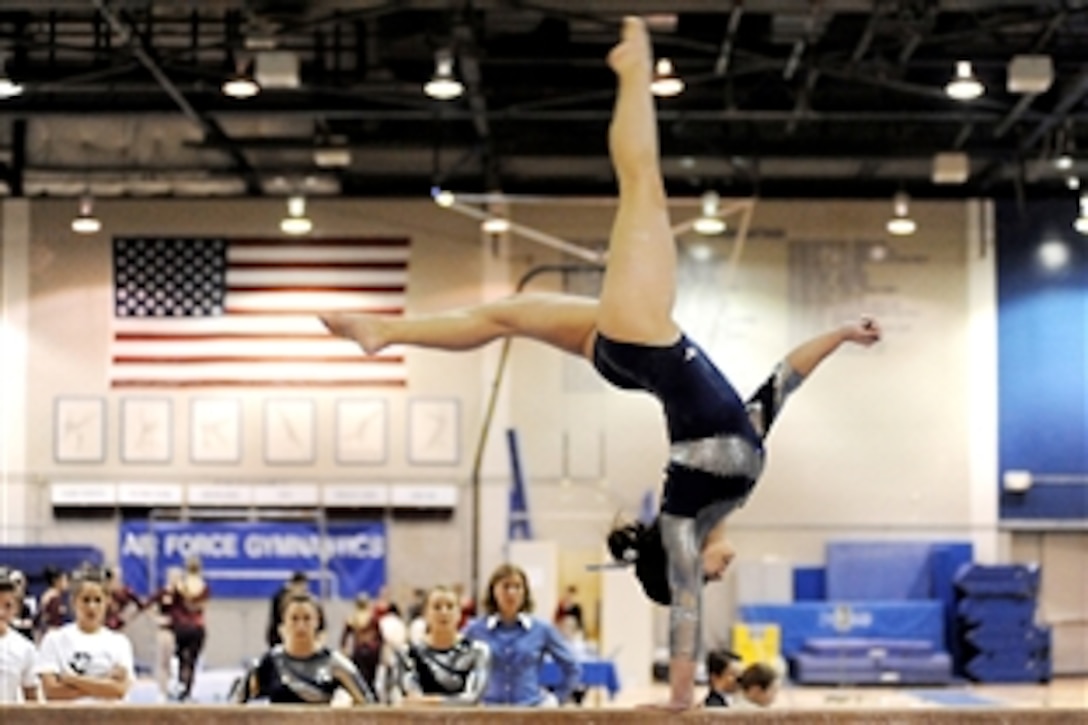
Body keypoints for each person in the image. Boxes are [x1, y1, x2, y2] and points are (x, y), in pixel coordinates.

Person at [321, 17, 881, 710]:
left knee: (642, 181)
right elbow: (784, 379)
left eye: (701, 577)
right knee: (501, 317)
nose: (713, 575)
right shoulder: (742, 473)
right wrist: (841, 332)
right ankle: (383, 330)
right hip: (628, 358)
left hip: (640, 338)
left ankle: (633, 68)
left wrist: (679, 700)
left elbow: (683, 622)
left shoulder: (683, 520)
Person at [461, 564, 579, 706]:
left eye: (517, 587)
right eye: (505, 586)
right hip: (489, 712)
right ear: (493, 591)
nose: (511, 592)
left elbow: (572, 667)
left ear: (525, 592)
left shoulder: (542, 629)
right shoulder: (475, 629)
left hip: (530, 711)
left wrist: (556, 699)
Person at [234, 592, 376, 705]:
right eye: (294, 619)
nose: (301, 626)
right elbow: (234, 706)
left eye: (307, 618)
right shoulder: (268, 663)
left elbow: (370, 706)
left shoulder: (335, 663)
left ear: (317, 622)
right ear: (283, 623)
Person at [36, 565, 134, 702]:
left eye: (98, 600)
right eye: (86, 600)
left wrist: (72, 680)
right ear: (74, 601)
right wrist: (103, 683)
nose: (91, 607)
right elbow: (52, 691)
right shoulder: (54, 639)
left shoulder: (119, 643)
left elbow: (119, 690)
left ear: (107, 602)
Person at [390, 585, 490, 706]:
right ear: (425, 614)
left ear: (459, 613)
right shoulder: (407, 653)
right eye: (437, 607)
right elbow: (412, 699)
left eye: (450, 607)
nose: (444, 612)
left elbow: (472, 698)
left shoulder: (477, 651)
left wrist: (432, 701)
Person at [172, 556, 209, 701]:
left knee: (182, 659)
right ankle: (188, 689)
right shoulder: (203, 587)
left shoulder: (180, 586)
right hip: (196, 626)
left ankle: (181, 684)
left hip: (182, 626)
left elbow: (173, 607)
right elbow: (203, 607)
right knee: (192, 661)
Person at [0, 568, 39, 703]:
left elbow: (31, 696)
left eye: (8, 606)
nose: (1, 613)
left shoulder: (25, 648)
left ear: (16, 608)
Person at [147, 566, 182, 698]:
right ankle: (162, 689)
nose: (175, 580)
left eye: (178, 578)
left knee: (176, 662)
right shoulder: (162, 593)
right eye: (173, 577)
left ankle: (176, 687)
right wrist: (156, 619)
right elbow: (148, 605)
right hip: (165, 631)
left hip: (179, 631)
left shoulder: (182, 594)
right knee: (163, 660)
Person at [340, 592, 383, 693]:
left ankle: (363, 694)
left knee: (361, 677)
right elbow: (380, 637)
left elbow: (344, 637)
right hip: (372, 651)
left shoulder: (352, 618)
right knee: (371, 678)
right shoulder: (372, 617)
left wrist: (343, 649)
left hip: (358, 650)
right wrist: (380, 650)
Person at [267, 571, 308, 648]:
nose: (304, 590)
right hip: (279, 636)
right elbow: (278, 618)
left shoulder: (302, 599)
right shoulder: (281, 597)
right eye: (302, 586)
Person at [104, 567, 145, 631]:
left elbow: (141, 605)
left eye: (116, 579)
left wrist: (127, 617)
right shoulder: (102, 594)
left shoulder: (126, 591)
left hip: (117, 624)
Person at [37, 567, 69, 636]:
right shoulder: (53, 598)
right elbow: (52, 622)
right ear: (56, 581)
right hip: (51, 634)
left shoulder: (52, 595)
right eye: (64, 580)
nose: (67, 583)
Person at [7, 570, 36, 642]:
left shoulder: (27, 607)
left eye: (23, 582)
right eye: (17, 582)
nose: (21, 586)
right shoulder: (3, 608)